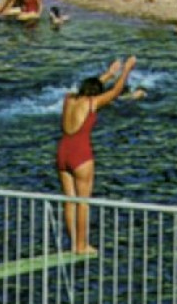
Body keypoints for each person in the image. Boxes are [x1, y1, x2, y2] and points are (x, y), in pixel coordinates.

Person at [55, 55, 137, 254]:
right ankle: (82, 246)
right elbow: (116, 91)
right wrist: (126, 69)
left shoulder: (68, 99)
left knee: (69, 200)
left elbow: (92, 85)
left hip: (62, 153)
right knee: (83, 203)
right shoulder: (92, 103)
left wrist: (108, 73)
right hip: (81, 155)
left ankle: (74, 243)